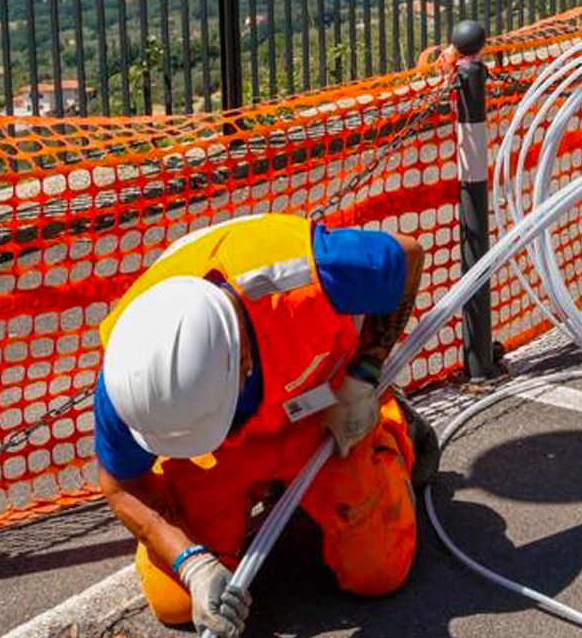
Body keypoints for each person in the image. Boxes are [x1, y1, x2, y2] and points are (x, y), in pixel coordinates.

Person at [94, 213, 440, 637]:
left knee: (379, 570)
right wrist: (193, 564)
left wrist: (365, 375)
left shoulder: (313, 271)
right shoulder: (130, 370)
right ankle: (249, 494)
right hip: (225, 450)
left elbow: (407, 255)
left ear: (242, 362)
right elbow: (120, 483)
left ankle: (392, 422)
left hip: (323, 413)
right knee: (176, 602)